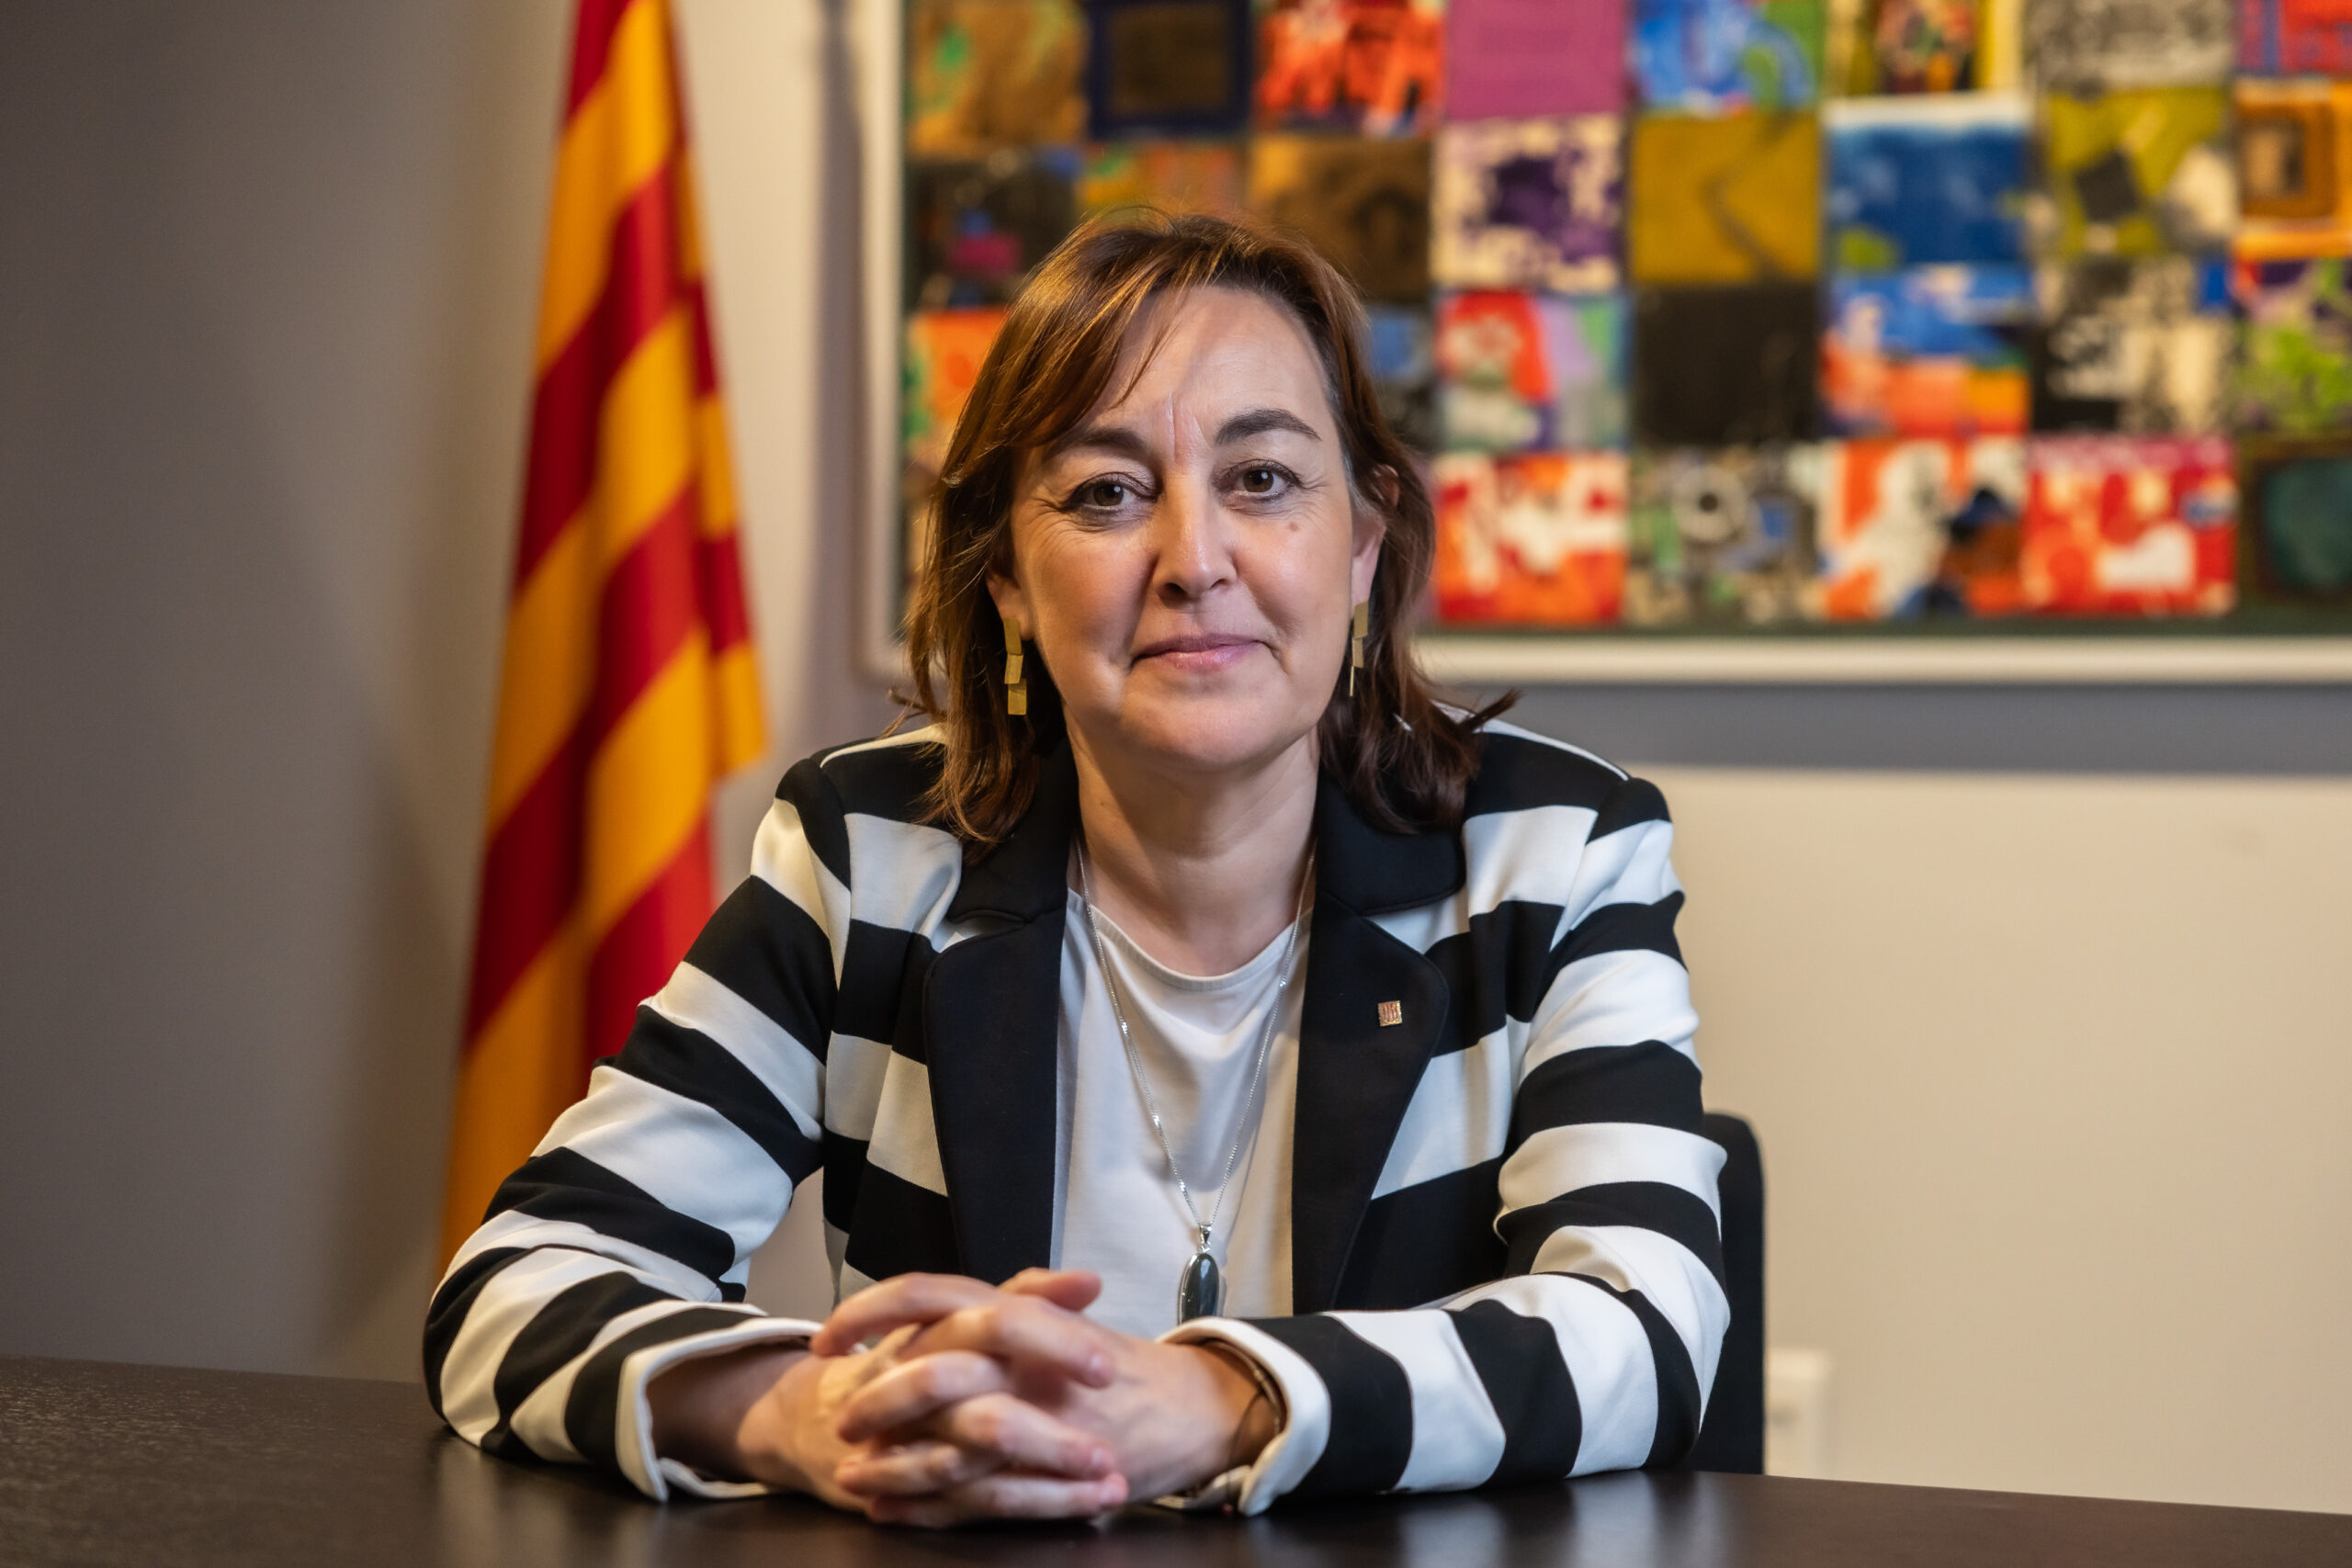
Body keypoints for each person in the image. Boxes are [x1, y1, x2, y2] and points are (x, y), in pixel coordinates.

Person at [424, 211, 1724, 1526]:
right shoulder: (867, 853)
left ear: (1363, 543)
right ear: (1005, 576)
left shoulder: (1557, 854)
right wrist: (806, 1414)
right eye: (1106, 493)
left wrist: (1216, 1401)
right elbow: (513, 1285)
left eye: (1263, 478)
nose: (1194, 562)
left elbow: (1651, 1324)